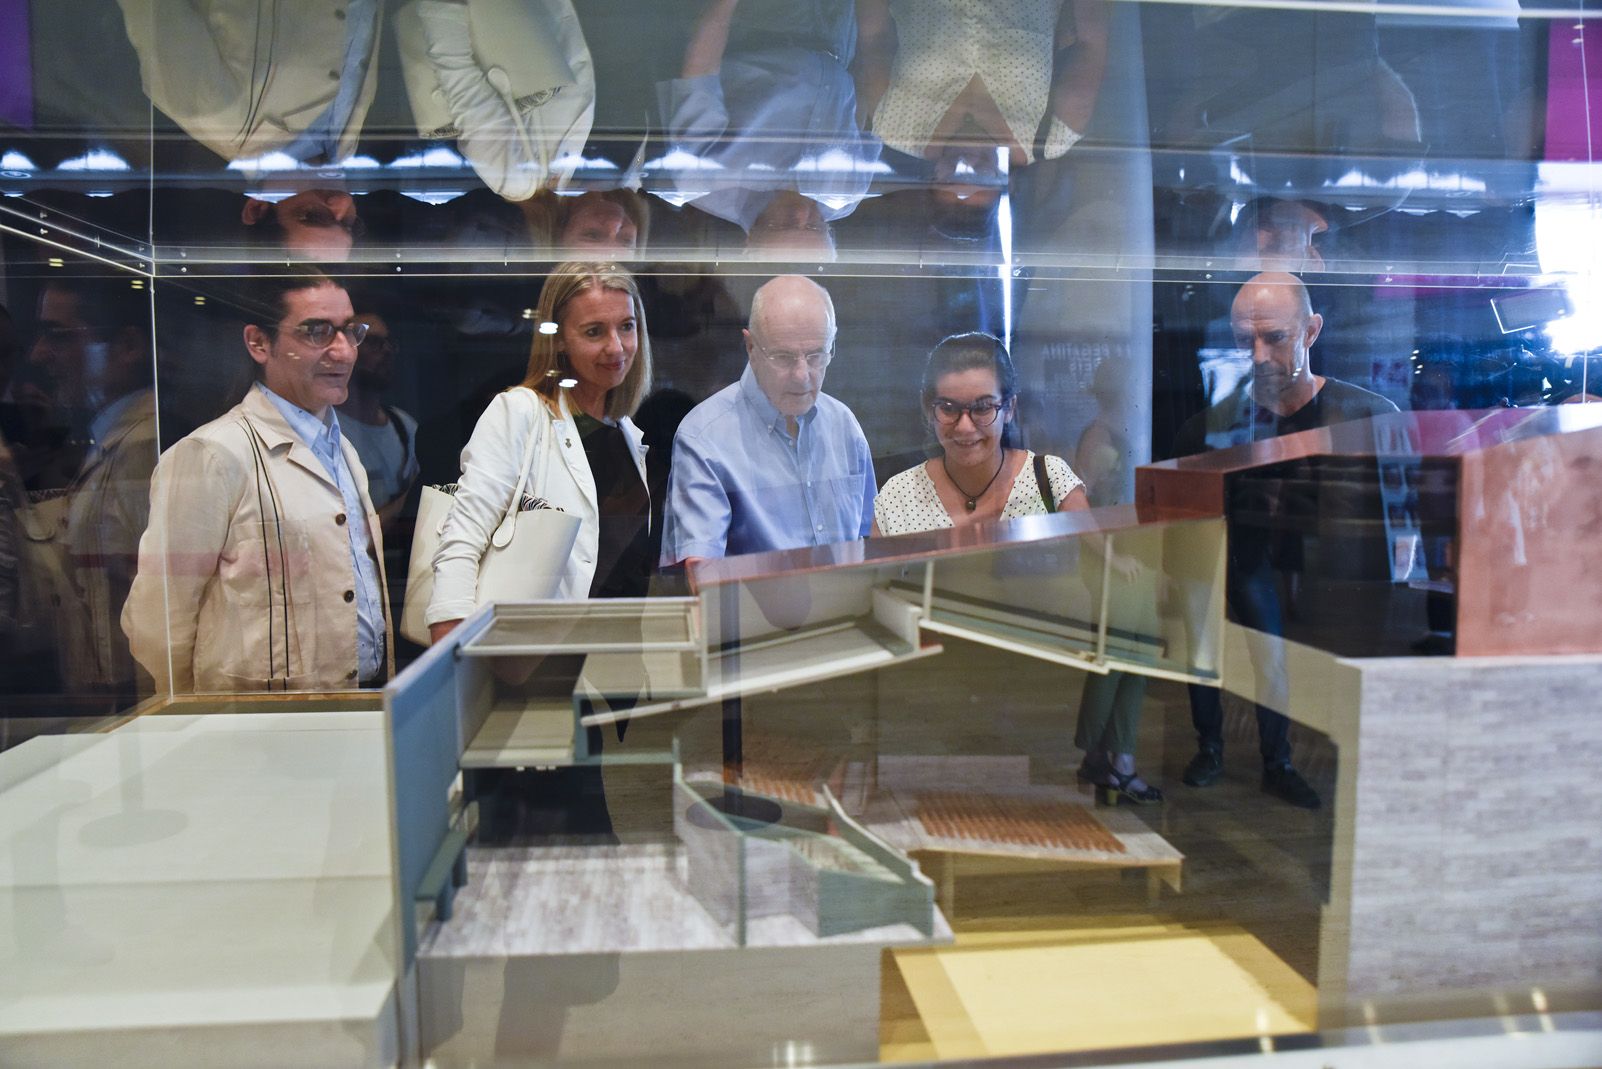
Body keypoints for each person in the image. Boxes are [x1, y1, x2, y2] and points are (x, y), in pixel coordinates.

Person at [871, 333, 1161, 804]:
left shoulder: (1050, 478)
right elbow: (875, 596)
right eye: (949, 408)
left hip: (1039, 706)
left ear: (1009, 408)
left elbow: (1091, 540)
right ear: (929, 410)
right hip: (929, 711)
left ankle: (1109, 758)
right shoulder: (898, 496)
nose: (966, 426)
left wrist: (1121, 563)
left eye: (983, 407)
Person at [1172, 271, 1398, 809]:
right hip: (1234, 560)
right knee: (1209, 655)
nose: (1257, 355)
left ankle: (1277, 761)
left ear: (1311, 331)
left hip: (1323, 580)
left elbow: (1393, 518)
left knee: (1272, 662)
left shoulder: (1365, 416)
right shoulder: (1211, 425)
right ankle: (1217, 749)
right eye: (1243, 339)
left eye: (1274, 337)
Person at [123, 269, 392, 693]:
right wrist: (190, 719)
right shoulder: (211, 454)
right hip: (253, 719)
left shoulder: (343, 450)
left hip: (358, 701)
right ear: (259, 343)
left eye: (349, 331)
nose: (343, 351)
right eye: (317, 332)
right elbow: (158, 622)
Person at [425, 261, 654, 642]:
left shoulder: (625, 433)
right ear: (558, 339)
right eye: (594, 331)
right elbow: (461, 539)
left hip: (621, 655)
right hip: (541, 656)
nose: (616, 347)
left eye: (627, 327)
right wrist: (451, 649)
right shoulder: (520, 412)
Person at [662, 275, 874, 566]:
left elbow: (869, 539)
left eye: (816, 356)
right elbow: (701, 571)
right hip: (751, 597)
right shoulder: (704, 437)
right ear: (750, 347)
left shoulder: (843, 425)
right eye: (784, 357)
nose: (802, 376)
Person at [26, 273, 159, 708]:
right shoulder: (114, 439)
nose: (39, 354)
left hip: (131, 702)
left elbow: (151, 602)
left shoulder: (142, 447)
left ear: (128, 347)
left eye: (59, 336)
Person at [657, 0, 882, 255]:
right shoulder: (845, 197)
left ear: (751, 237)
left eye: (784, 224)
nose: (802, 213)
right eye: (815, 226)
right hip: (839, 35)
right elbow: (865, 104)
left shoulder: (699, 181)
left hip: (762, 20)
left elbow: (701, 72)